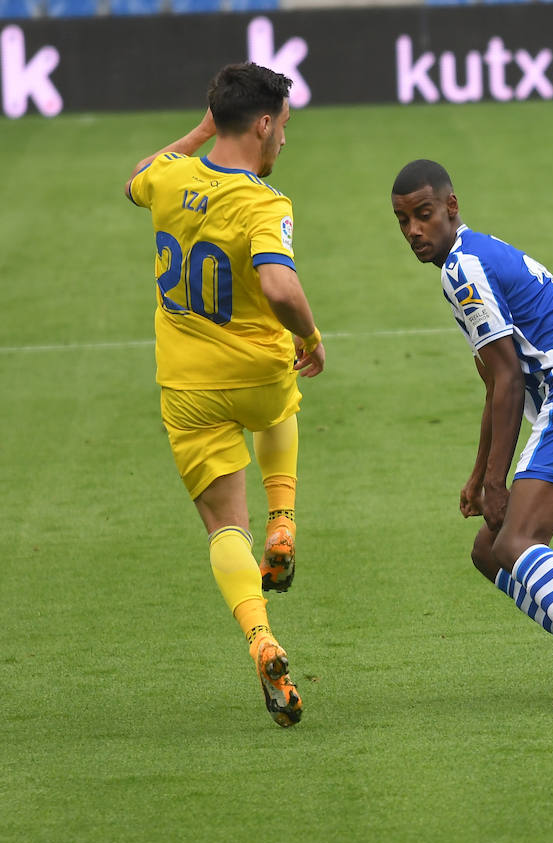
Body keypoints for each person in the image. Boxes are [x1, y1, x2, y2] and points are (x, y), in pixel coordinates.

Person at [390, 159, 553, 711]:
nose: (413, 229)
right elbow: (495, 380)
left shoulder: (463, 269)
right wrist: (480, 475)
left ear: (451, 208)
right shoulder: (475, 255)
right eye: (403, 220)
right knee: (490, 551)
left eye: (424, 214)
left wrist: (497, 480)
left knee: (514, 540)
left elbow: (508, 378)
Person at [125, 62, 325, 728]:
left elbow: (136, 178)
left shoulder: (171, 179)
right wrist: (312, 333)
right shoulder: (265, 204)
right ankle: (285, 518)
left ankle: (260, 639)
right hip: (259, 378)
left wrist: (200, 130)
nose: (285, 143)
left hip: (188, 390)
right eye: (284, 129)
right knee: (285, 400)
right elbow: (278, 287)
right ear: (264, 125)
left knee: (221, 527)